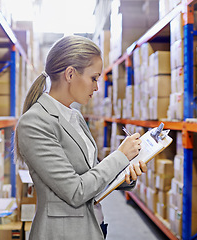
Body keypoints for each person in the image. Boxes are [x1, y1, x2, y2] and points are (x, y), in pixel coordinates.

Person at [15, 35, 147, 240]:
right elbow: (75, 191)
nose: (97, 87)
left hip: (94, 226)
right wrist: (120, 156)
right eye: (94, 78)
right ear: (70, 74)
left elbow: (91, 173)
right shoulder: (34, 123)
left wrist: (125, 174)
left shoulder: (74, 116)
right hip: (63, 234)